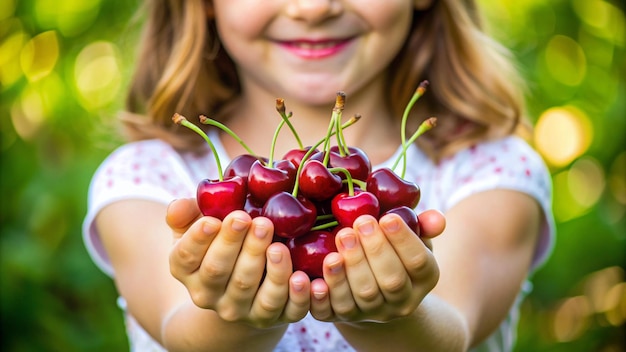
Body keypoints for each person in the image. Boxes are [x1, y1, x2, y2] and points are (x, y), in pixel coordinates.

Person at [82, 0, 555, 351]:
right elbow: (177, 330)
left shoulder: (489, 171)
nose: (313, 8)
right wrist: (243, 313)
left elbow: (453, 329)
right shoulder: (144, 180)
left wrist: (387, 316)